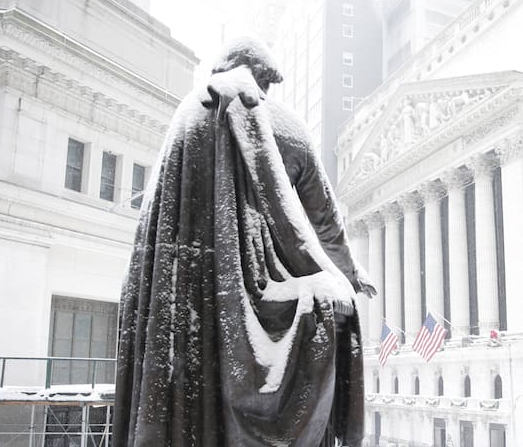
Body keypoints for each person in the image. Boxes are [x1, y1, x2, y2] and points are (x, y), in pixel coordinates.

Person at [113, 36, 375, 447]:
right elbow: (324, 219)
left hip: (182, 300)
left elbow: (152, 225)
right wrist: (349, 275)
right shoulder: (287, 127)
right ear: (266, 80)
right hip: (245, 296)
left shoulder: (186, 115)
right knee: (330, 303)